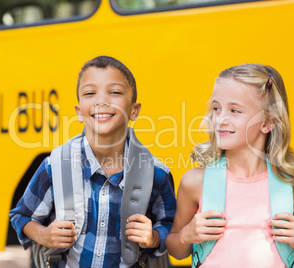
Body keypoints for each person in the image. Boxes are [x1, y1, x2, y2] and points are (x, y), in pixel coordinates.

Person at [10, 56, 176, 267]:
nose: (102, 101)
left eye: (115, 92)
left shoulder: (155, 174)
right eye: (90, 93)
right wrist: (43, 235)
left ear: (134, 110)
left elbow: (171, 226)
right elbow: (21, 216)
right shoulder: (56, 166)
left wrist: (153, 237)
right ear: (79, 112)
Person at [165, 64, 294, 267]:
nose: (221, 119)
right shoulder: (195, 182)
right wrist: (186, 236)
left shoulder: (293, 184)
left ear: (267, 122)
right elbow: (175, 249)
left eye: (235, 110)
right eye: (216, 108)